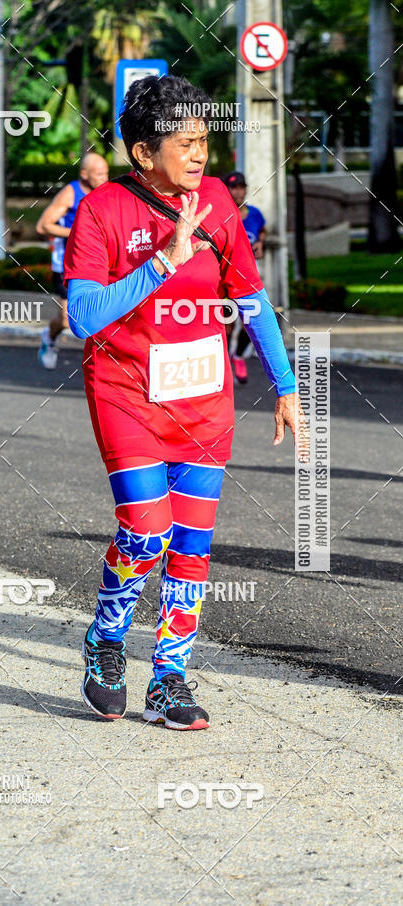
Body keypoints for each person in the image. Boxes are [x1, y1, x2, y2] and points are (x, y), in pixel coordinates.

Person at [63, 75, 305, 731]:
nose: (200, 155)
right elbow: (84, 316)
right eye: (187, 142)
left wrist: (285, 385)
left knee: (192, 545)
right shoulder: (102, 211)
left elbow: (250, 299)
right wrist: (161, 265)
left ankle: (169, 678)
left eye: (205, 140)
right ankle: (106, 638)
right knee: (146, 531)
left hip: (204, 401)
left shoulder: (220, 201)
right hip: (127, 394)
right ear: (143, 153)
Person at [36, 153, 109, 369]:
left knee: (103, 311)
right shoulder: (71, 192)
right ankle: (49, 338)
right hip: (68, 263)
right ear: (84, 174)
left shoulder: (106, 191)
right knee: (67, 320)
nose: (104, 178)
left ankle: (104, 361)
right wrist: (77, 232)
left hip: (98, 260)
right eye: (98, 174)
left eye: (106, 173)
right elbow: (43, 226)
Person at [224, 171, 267, 384]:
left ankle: (238, 355)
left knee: (251, 321)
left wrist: (260, 243)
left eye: (241, 187)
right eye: (234, 187)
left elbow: (263, 231)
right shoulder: (222, 214)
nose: (238, 191)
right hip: (225, 279)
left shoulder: (255, 214)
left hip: (250, 277)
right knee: (227, 323)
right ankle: (222, 366)